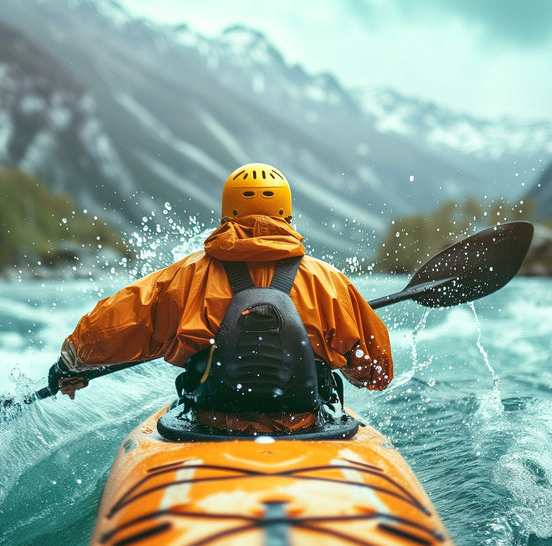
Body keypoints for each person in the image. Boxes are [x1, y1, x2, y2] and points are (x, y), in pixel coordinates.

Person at [47, 163, 392, 435]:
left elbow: (111, 327)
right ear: (287, 217)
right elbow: (378, 371)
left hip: (210, 424)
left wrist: (71, 365)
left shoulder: (186, 277)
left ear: (227, 216)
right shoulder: (327, 283)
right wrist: (342, 358)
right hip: (305, 426)